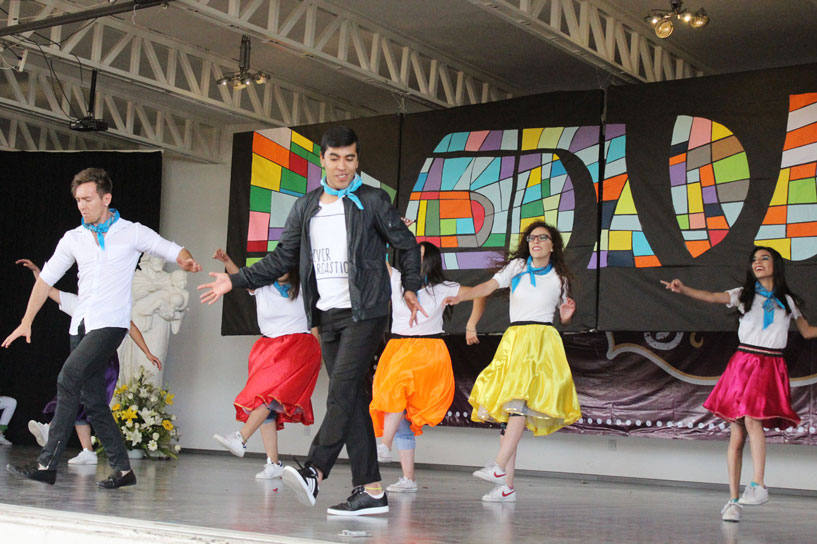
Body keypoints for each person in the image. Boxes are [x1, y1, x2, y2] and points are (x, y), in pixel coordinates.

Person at [199, 126, 424, 516]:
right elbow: (281, 258)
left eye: (349, 158)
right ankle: (371, 491)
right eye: (335, 158)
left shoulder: (372, 201)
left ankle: (314, 471)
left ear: (357, 160)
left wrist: (410, 285)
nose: (342, 166)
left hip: (366, 311)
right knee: (351, 400)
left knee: (341, 390)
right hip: (327, 315)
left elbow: (406, 244)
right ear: (322, 160)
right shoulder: (306, 207)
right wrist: (235, 280)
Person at [2, 167, 200, 488]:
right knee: (94, 401)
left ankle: (46, 463)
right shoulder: (73, 238)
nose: (82, 205)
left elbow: (170, 248)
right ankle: (123, 470)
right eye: (78, 200)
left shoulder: (131, 232)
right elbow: (46, 280)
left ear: (106, 199)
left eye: (88, 199)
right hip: (81, 326)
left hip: (111, 324)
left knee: (68, 378)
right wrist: (27, 320)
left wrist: (186, 259)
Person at [662, 246, 817, 522]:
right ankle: (734, 501)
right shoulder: (744, 295)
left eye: (764, 258)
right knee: (737, 434)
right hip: (744, 363)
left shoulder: (787, 301)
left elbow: (806, 331)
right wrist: (683, 289)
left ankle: (759, 484)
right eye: (754, 259)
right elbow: (712, 297)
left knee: (753, 420)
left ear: (776, 264)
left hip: (769, 363)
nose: (758, 262)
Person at [444, 221, 581, 502]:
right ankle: (506, 486)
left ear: (553, 245)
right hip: (515, 340)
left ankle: (498, 466)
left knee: (519, 404)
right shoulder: (517, 267)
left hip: (541, 343)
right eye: (531, 238)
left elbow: (562, 315)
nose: (536, 242)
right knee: (510, 412)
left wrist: (566, 316)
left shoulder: (560, 278)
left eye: (542, 238)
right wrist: (463, 296)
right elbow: (488, 286)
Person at [16, 259, 160, 465]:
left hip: (104, 361)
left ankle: (54, 430)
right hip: (83, 361)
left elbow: (130, 326)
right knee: (79, 397)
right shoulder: (76, 303)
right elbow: (48, 290)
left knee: (82, 397)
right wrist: (38, 273)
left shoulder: (108, 306)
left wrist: (147, 352)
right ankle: (87, 450)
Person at [210, 249, 321, 480]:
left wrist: (318, 351)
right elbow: (240, 278)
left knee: (269, 398)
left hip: (297, 347)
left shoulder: (304, 288)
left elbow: (314, 322)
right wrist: (227, 260)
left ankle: (241, 438)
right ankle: (273, 463)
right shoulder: (262, 286)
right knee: (264, 404)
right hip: (268, 349)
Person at [370, 241, 458, 493]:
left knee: (395, 391)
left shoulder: (443, 287)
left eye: (418, 256)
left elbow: (479, 292)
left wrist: (472, 323)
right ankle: (408, 479)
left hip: (425, 351)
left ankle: (384, 445)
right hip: (397, 348)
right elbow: (377, 254)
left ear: (430, 260)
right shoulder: (397, 279)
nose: (413, 260)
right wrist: (385, 232)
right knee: (401, 418)